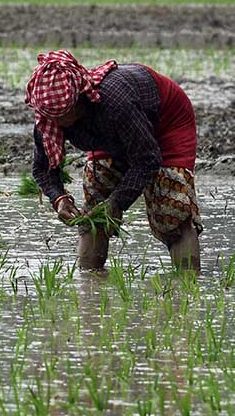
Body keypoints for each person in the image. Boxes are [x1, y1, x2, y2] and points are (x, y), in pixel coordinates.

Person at [26, 50, 202, 273]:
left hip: (165, 123)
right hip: (111, 136)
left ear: (79, 99)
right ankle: (89, 286)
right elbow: (42, 168)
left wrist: (117, 203)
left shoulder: (114, 103)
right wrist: (59, 199)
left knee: (172, 208)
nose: (57, 123)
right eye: (50, 117)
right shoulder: (49, 117)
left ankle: (187, 288)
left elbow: (147, 158)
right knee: (94, 210)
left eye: (62, 115)